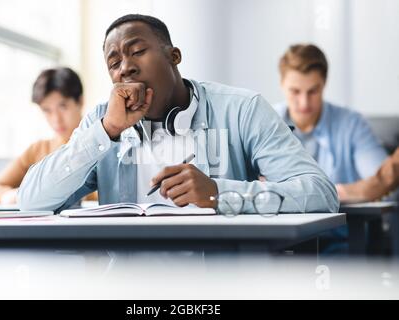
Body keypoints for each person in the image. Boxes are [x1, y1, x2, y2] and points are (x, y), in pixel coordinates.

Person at [18, 14, 338, 214]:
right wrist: (106, 130)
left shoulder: (243, 109)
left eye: (137, 51)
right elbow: (31, 201)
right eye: (113, 62)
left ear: (174, 56)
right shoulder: (101, 124)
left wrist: (219, 194)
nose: (125, 66)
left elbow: (321, 193)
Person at [274, 44, 388, 188]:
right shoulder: (263, 124)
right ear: (281, 84)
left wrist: (339, 194)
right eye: (295, 91)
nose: (304, 103)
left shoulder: (352, 124)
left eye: (313, 91)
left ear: (324, 84)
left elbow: (387, 186)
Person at [0, 67, 98, 204]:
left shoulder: (104, 142)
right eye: (47, 110)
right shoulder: (37, 150)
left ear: (80, 101)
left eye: (63, 106)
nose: (56, 119)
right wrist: (7, 195)